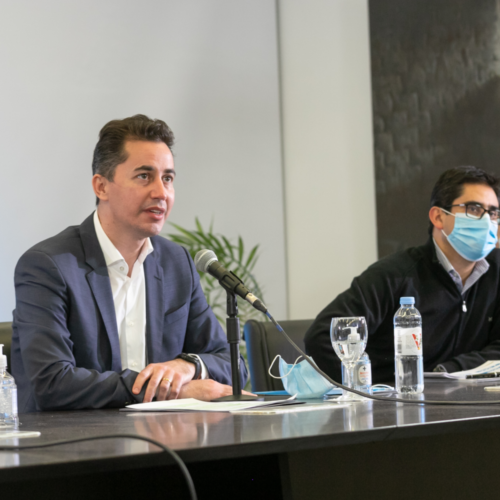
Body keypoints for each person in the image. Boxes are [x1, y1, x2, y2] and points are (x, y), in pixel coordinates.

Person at [12, 114, 248, 412]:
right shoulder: (49, 265)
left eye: (168, 178)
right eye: (144, 176)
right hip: (76, 437)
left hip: (167, 434)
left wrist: (187, 366)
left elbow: (233, 365)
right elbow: (52, 383)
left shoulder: (176, 263)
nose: (161, 193)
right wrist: (167, 391)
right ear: (101, 187)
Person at [305, 166, 500, 383]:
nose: (487, 221)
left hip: (468, 399)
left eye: (493, 212)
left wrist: (447, 371)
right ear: (438, 217)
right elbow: (322, 337)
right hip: (393, 399)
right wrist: (370, 388)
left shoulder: (497, 271)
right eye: (473, 209)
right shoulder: (393, 275)